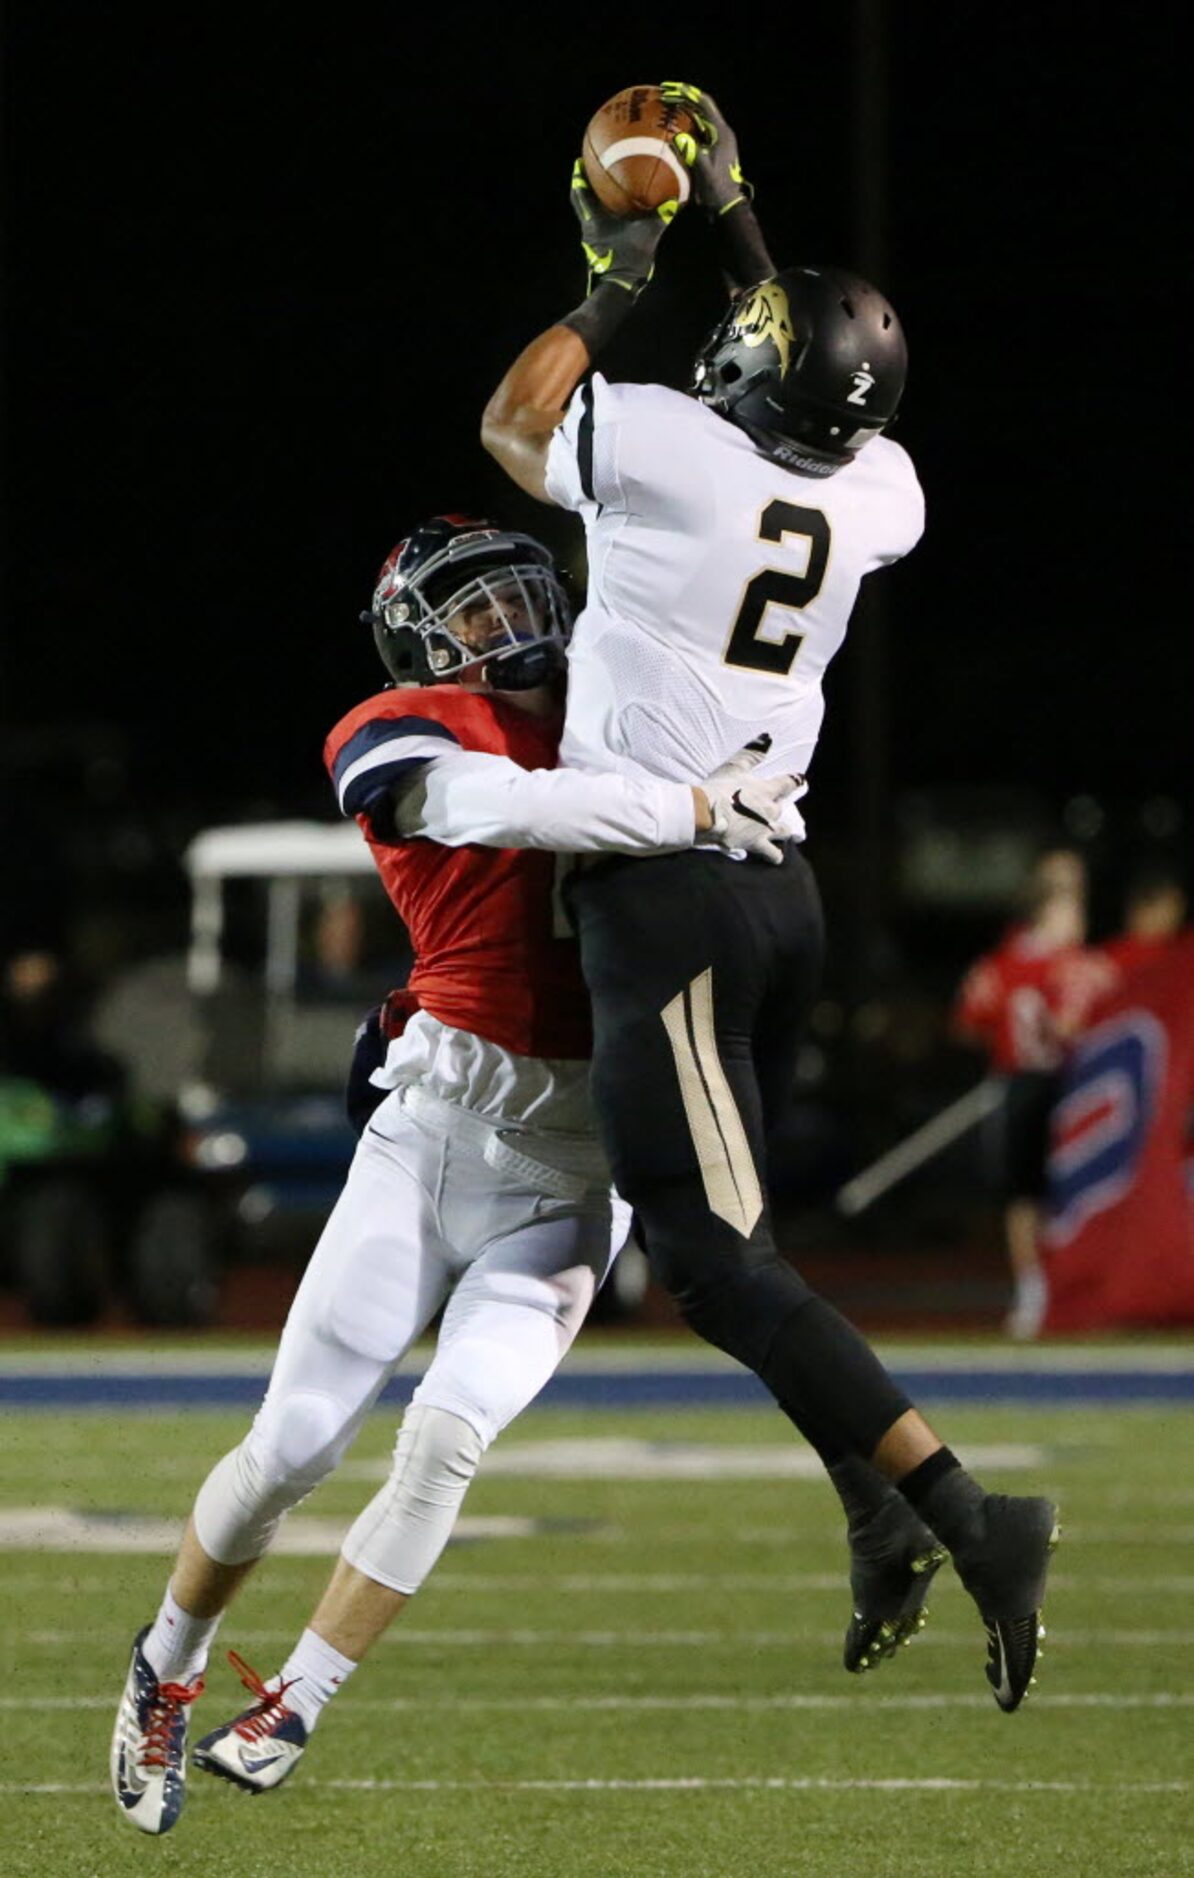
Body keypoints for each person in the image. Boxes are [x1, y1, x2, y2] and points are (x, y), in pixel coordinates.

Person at [480, 81, 1059, 1716]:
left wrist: (613, 265)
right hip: (773, 902)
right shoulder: (877, 496)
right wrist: (737, 226)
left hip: (666, 898)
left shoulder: (663, 450)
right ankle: (874, 1510)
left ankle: (961, 1508)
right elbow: (815, 367)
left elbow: (516, 427)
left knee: (716, 1261)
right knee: (741, 1252)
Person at [109, 515, 796, 1835]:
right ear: (422, 642)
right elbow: (500, 809)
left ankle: (299, 1694)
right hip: (435, 1128)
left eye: (522, 595)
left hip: (577, 1161)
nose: (508, 625)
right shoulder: (401, 729)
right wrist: (695, 804)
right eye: (473, 613)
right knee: (291, 1445)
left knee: (447, 1438)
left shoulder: (630, 710)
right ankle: (169, 1661)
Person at [953, 848, 1114, 1338]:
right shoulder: (1073, 965)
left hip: (1023, 1082)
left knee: (1029, 1195)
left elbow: (969, 1020)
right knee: (1047, 1191)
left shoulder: (999, 965)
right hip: (1064, 1084)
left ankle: (1041, 1289)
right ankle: (1048, 1288)